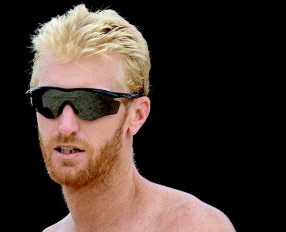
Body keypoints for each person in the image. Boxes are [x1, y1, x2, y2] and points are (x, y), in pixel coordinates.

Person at [26, 4, 236, 232]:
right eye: (49, 100)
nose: (66, 127)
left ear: (137, 115)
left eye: (91, 103)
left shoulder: (191, 227)